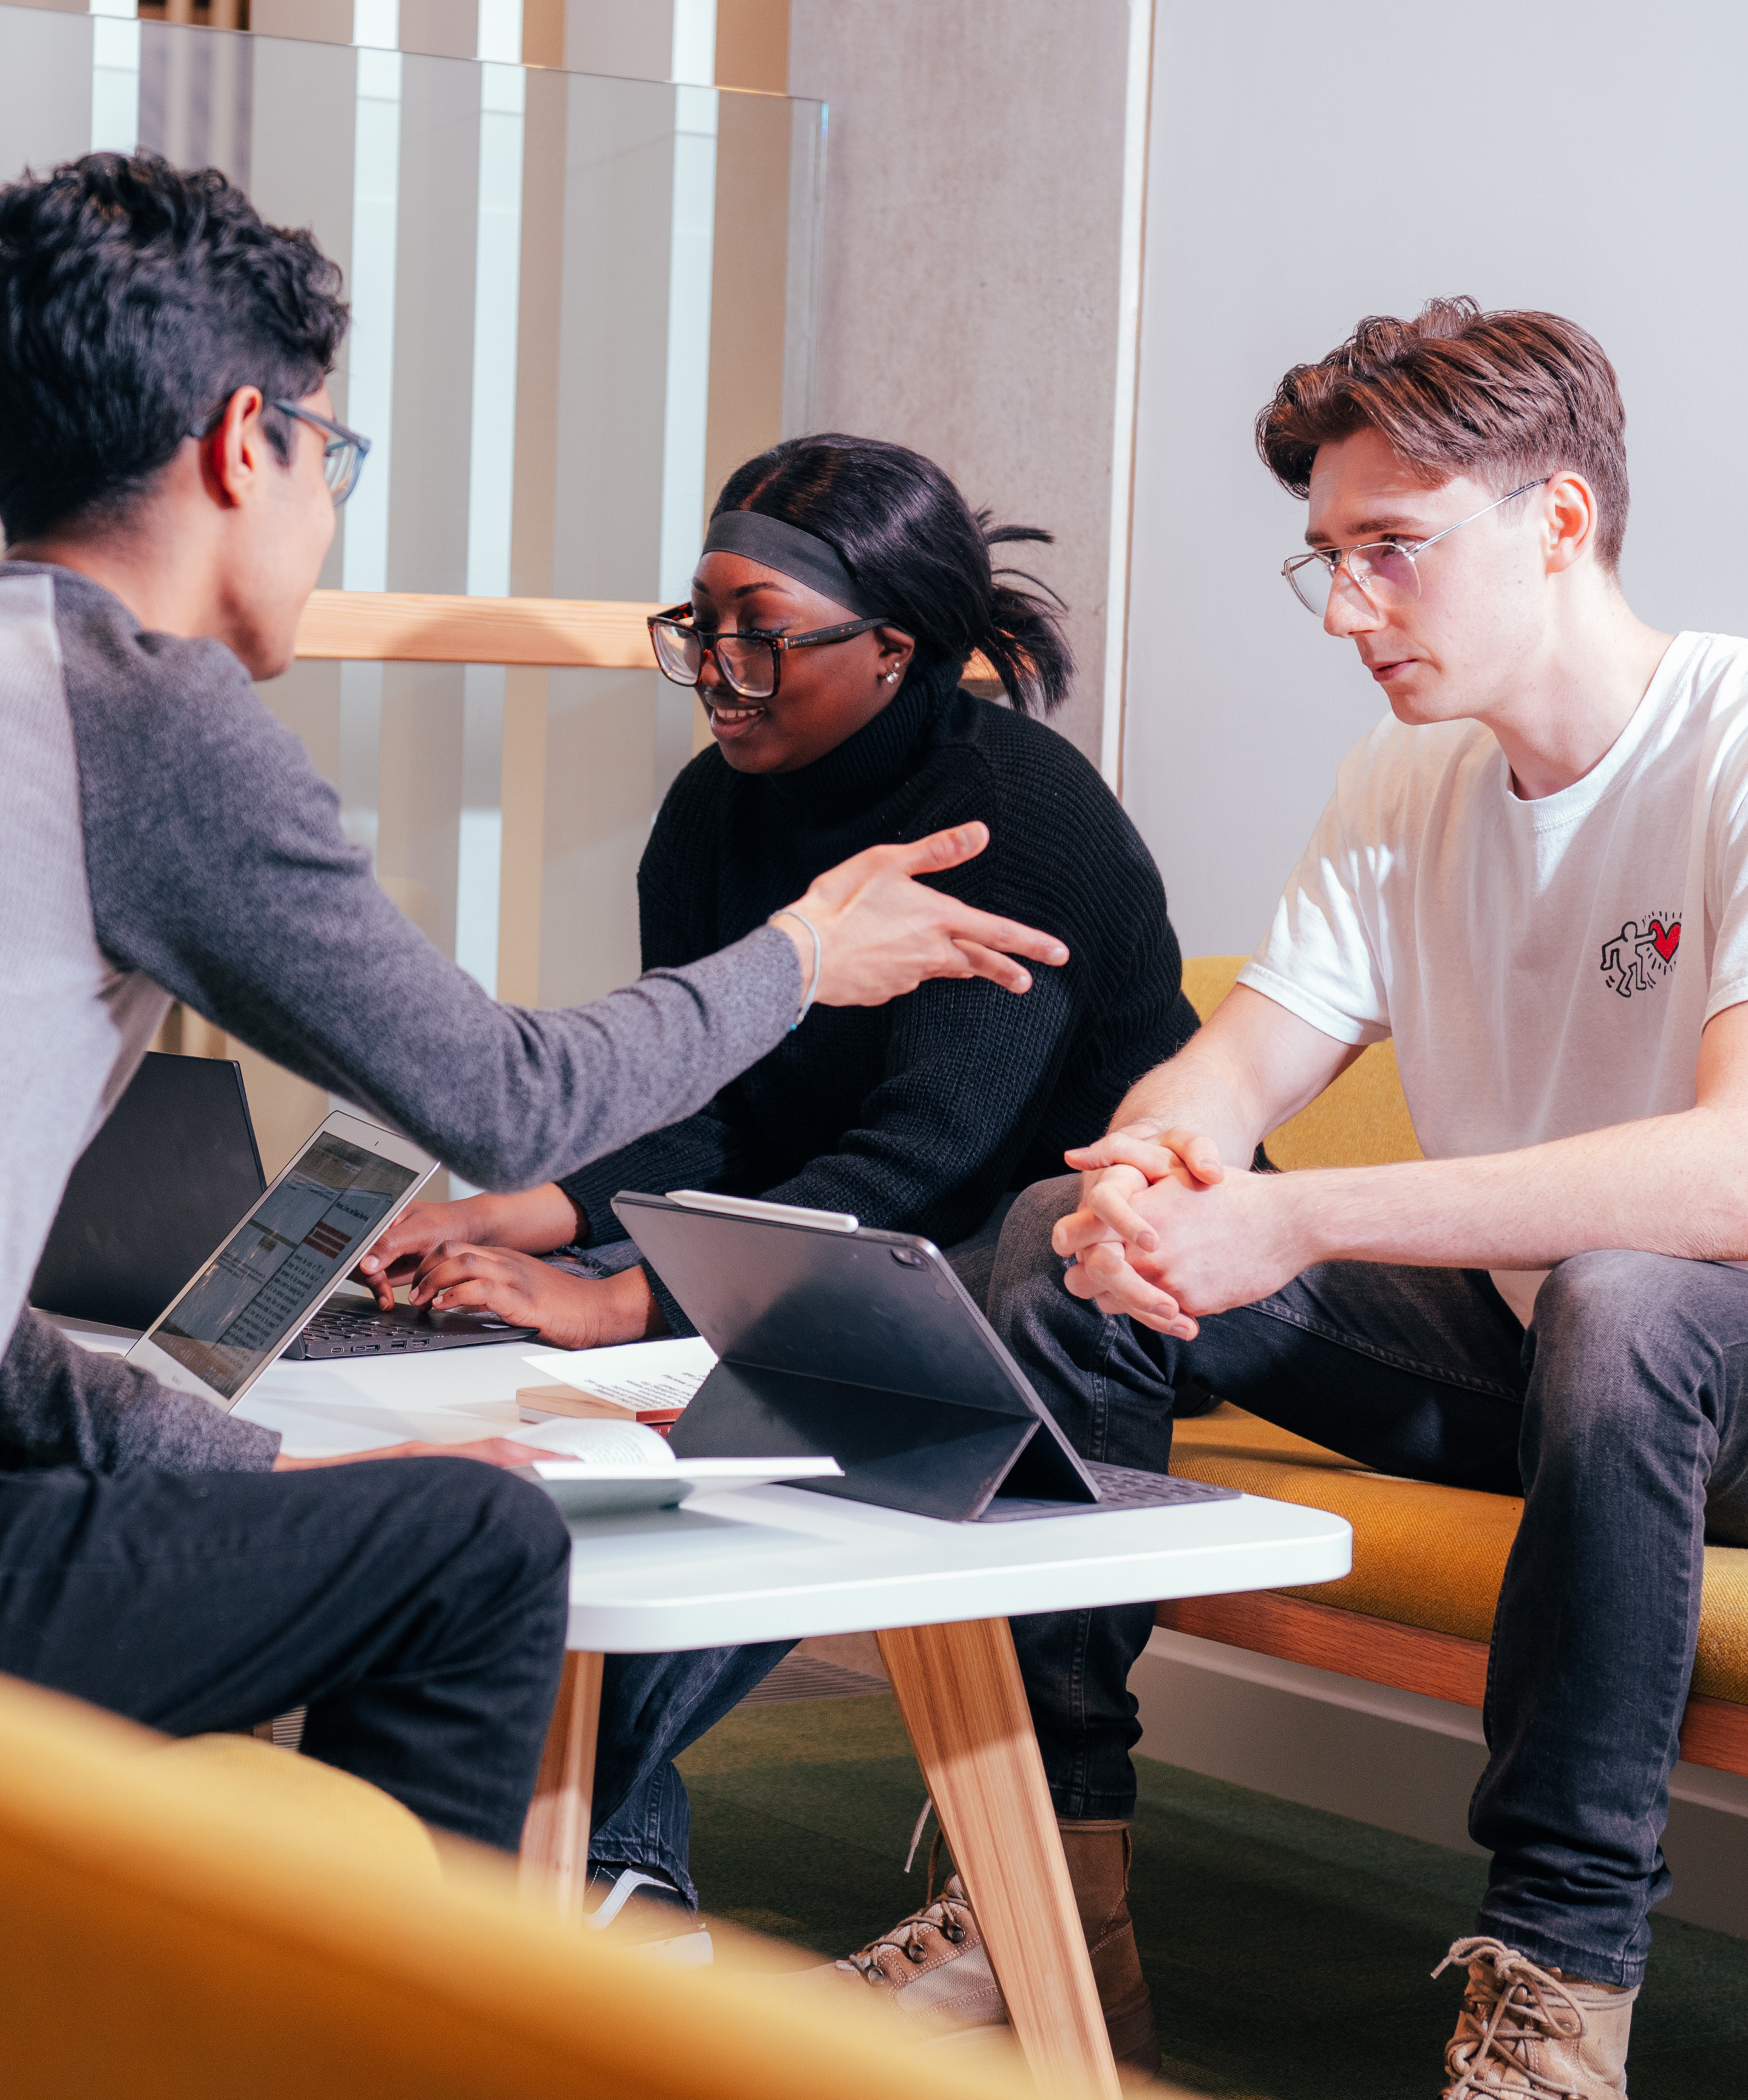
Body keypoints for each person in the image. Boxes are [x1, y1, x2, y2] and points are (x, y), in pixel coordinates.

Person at [0, 153, 1070, 1851]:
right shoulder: (137, 711)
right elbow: (506, 1097)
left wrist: (240, 1465)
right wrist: (805, 954)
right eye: (333, 455)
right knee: (478, 1550)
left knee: (184, 1503)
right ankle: (351, 2010)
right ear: (249, 442)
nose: (327, 512)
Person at [844, 300, 1748, 2098]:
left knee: (1629, 1291)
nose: (1345, 610)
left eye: (1393, 550)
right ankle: (1037, 1919)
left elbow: (1747, 1181)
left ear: (1560, 520)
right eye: (1328, 558)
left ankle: (1555, 2003)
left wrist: (1297, 1218)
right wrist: (1150, 1171)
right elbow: (1232, 1070)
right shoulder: (1403, 781)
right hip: (1575, 1366)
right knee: (1058, 1241)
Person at [353, 434, 1199, 1972]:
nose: (719, 672)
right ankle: (593, 1865)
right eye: (701, 626)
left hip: (1064, 1274)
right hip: (842, 1236)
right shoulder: (710, 811)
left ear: (894, 647)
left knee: (797, 1370)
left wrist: (621, 1297)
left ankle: (590, 1870)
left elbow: (927, 1157)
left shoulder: (1016, 816)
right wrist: (524, 1211)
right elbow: (711, 1101)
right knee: (521, 1382)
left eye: (761, 635)